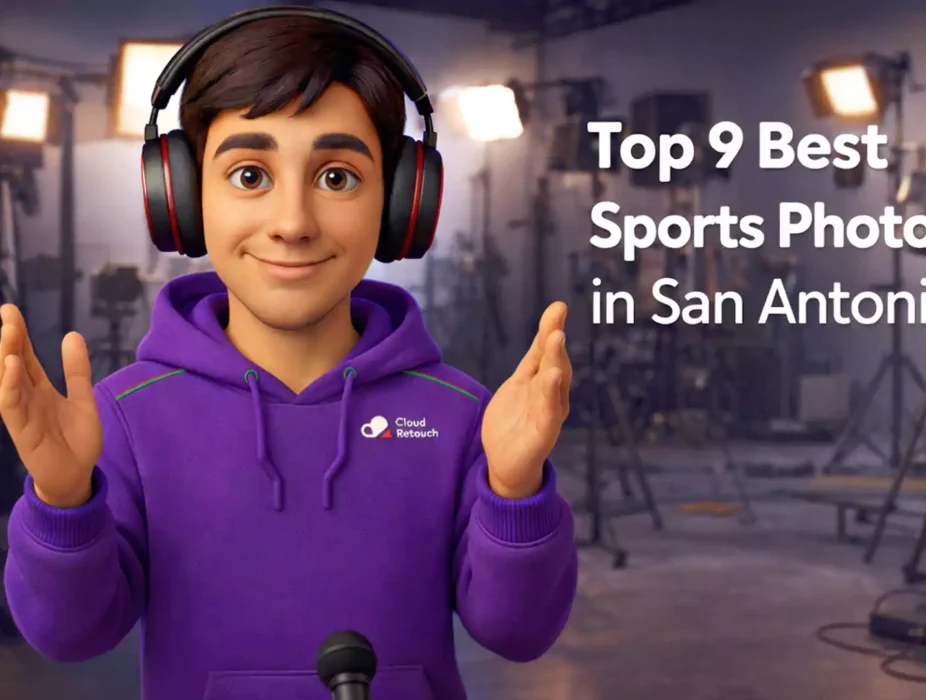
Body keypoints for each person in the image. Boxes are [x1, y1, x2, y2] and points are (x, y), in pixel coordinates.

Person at [0, 8, 578, 700]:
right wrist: (63, 502)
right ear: (182, 198)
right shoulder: (123, 417)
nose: (293, 224)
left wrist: (515, 490)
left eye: (337, 178)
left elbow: (518, 632)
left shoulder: (457, 414)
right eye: (250, 175)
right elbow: (70, 635)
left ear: (401, 204)